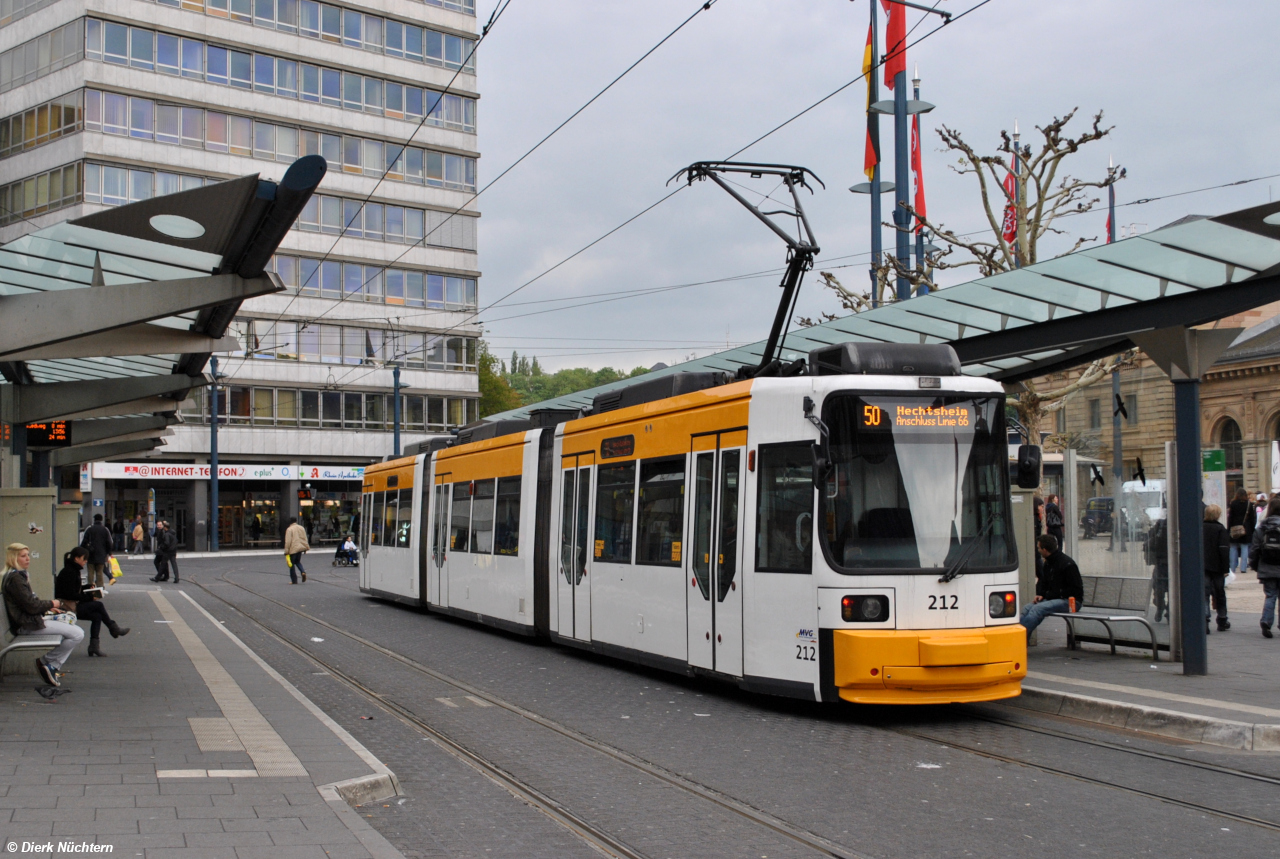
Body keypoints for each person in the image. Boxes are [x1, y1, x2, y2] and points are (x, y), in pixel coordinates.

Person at [2, 542, 82, 687]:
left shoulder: (16, 576)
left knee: (70, 622)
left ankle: (48, 663)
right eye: (23, 556)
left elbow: (29, 603)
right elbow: (31, 606)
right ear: (13, 558)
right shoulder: (16, 579)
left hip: (28, 621)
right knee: (77, 634)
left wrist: (47, 609)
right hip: (27, 624)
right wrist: (53, 604)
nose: (28, 559)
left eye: (28, 555)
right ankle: (48, 663)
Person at [55, 547, 129, 656]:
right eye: (84, 559)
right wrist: (90, 597)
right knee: (98, 605)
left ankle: (94, 646)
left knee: (97, 616)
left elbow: (74, 589)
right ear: (76, 558)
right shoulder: (69, 572)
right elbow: (70, 594)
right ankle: (113, 628)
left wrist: (88, 587)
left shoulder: (72, 570)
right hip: (67, 606)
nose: (86, 561)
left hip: (71, 604)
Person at [1019, 534, 1084, 637]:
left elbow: (1076, 590)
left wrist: (1051, 595)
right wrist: (1041, 594)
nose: (1038, 550)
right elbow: (1044, 582)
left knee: (1037, 609)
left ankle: (1019, 638)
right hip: (1055, 598)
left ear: (1045, 550)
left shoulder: (1067, 564)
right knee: (1027, 608)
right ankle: (1021, 638)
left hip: (1071, 601)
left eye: (1039, 548)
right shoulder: (1048, 563)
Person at [1248, 495, 1280, 638]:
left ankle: (1266, 621)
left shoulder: (1262, 528)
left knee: (1270, 595)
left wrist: (1255, 566)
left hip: (1267, 567)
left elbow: (1254, 550)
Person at [1203, 504, 1231, 632]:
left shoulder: (1200, 527)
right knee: (1220, 593)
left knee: (1204, 593)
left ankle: (1205, 620)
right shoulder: (1220, 529)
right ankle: (1222, 619)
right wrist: (1226, 568)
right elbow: (1224, 550)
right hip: (1218, 567)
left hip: (1203, 566)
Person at [80, 513, 114, 589]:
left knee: (90, 572)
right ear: (101, 520)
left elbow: (84, 542)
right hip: (101, 554)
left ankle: (90, 587)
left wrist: (84, 551)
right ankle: (100, 587)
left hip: (91, 554)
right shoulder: (105, 529)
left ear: (94, 520)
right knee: (99, 572)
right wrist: (108, 552)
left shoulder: (90, 529)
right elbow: (109, 542)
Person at [1227, 487, 1256, 576]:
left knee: (1233, 548)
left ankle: (1232, 567)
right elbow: (1253, 518)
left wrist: (1229, 528)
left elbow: (1230, 517)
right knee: (1244, 548)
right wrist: (1251, 529)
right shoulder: (1249, 504)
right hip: (1246, 528)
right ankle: (1243, 567)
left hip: (1234, 528)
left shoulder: (1233, 504)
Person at [284, 517, 310, 584]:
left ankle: (294, 580)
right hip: (300, 548)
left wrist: (286, 551)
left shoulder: (289, 529)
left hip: (293, 549)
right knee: (298, 561)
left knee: (291, 564)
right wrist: (306, 547)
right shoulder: (301, 528)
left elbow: (288, 541)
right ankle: (303, 572)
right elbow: (304, 538)